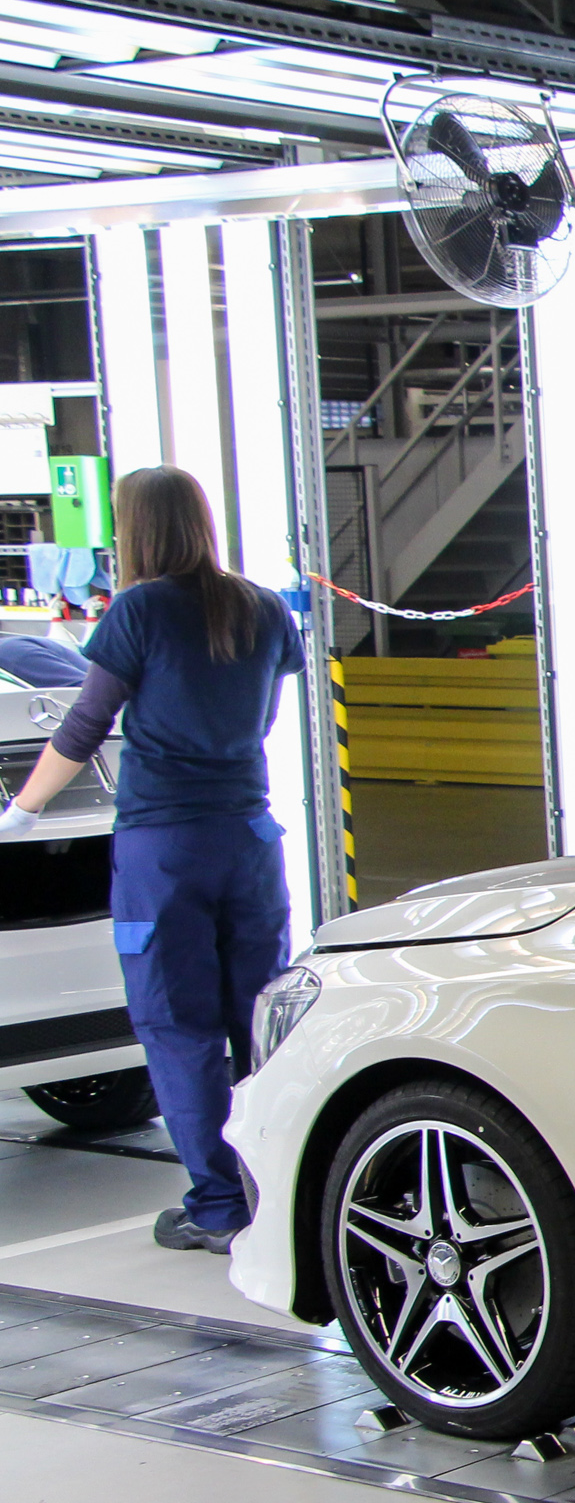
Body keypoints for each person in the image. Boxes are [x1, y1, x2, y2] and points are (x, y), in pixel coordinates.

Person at [0, 466, 305, 1252]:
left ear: (137, 526)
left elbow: (84, 726)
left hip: (164, 850)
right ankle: (278, 1195)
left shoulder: (138, 610)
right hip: (249, 840)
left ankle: (218, 1209)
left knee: (178, 1027)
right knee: (259, 1024)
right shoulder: (263, 608)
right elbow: (259, 717)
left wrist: (22, 811)